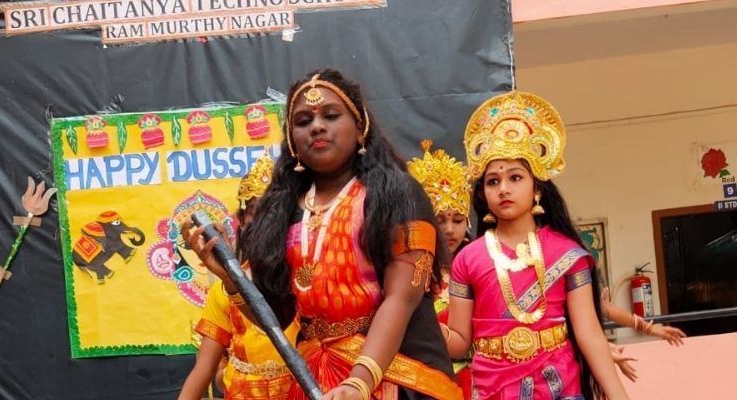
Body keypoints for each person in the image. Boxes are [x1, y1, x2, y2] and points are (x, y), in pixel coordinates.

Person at [185, 68, 461, 399]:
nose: (316, 126)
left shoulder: (397, 193)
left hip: (399, 377)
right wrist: (231, 279)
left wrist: (358, 383)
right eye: (303, 121)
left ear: (360, 127)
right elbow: (278, 317)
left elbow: (402, 297)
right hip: (315, 381)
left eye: (331, 115)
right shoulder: (283, 210)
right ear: (292, 141)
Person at [445, 91, 630, 399]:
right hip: (493, 391)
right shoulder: (467, 259)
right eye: (493, 181)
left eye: (515, 177)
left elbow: (589, 335)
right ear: (483, 195)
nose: (504, 189)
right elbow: (460, 343)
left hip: (559, 386)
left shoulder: (567, 254)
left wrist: (618, 396)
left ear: (537, 189)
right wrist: (421, 323)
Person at [179, 151, 299, 400]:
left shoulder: (306, 278)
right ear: (242, 220)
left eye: (274, 211)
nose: (265, 221)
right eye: (256, 211)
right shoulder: (225, 288)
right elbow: (203, 371)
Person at [407, 139, 473, 398]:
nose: (449, 229)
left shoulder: (478, 267)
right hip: (421, 379)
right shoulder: (410, 270)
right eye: (439, 220)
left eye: (457, 220)